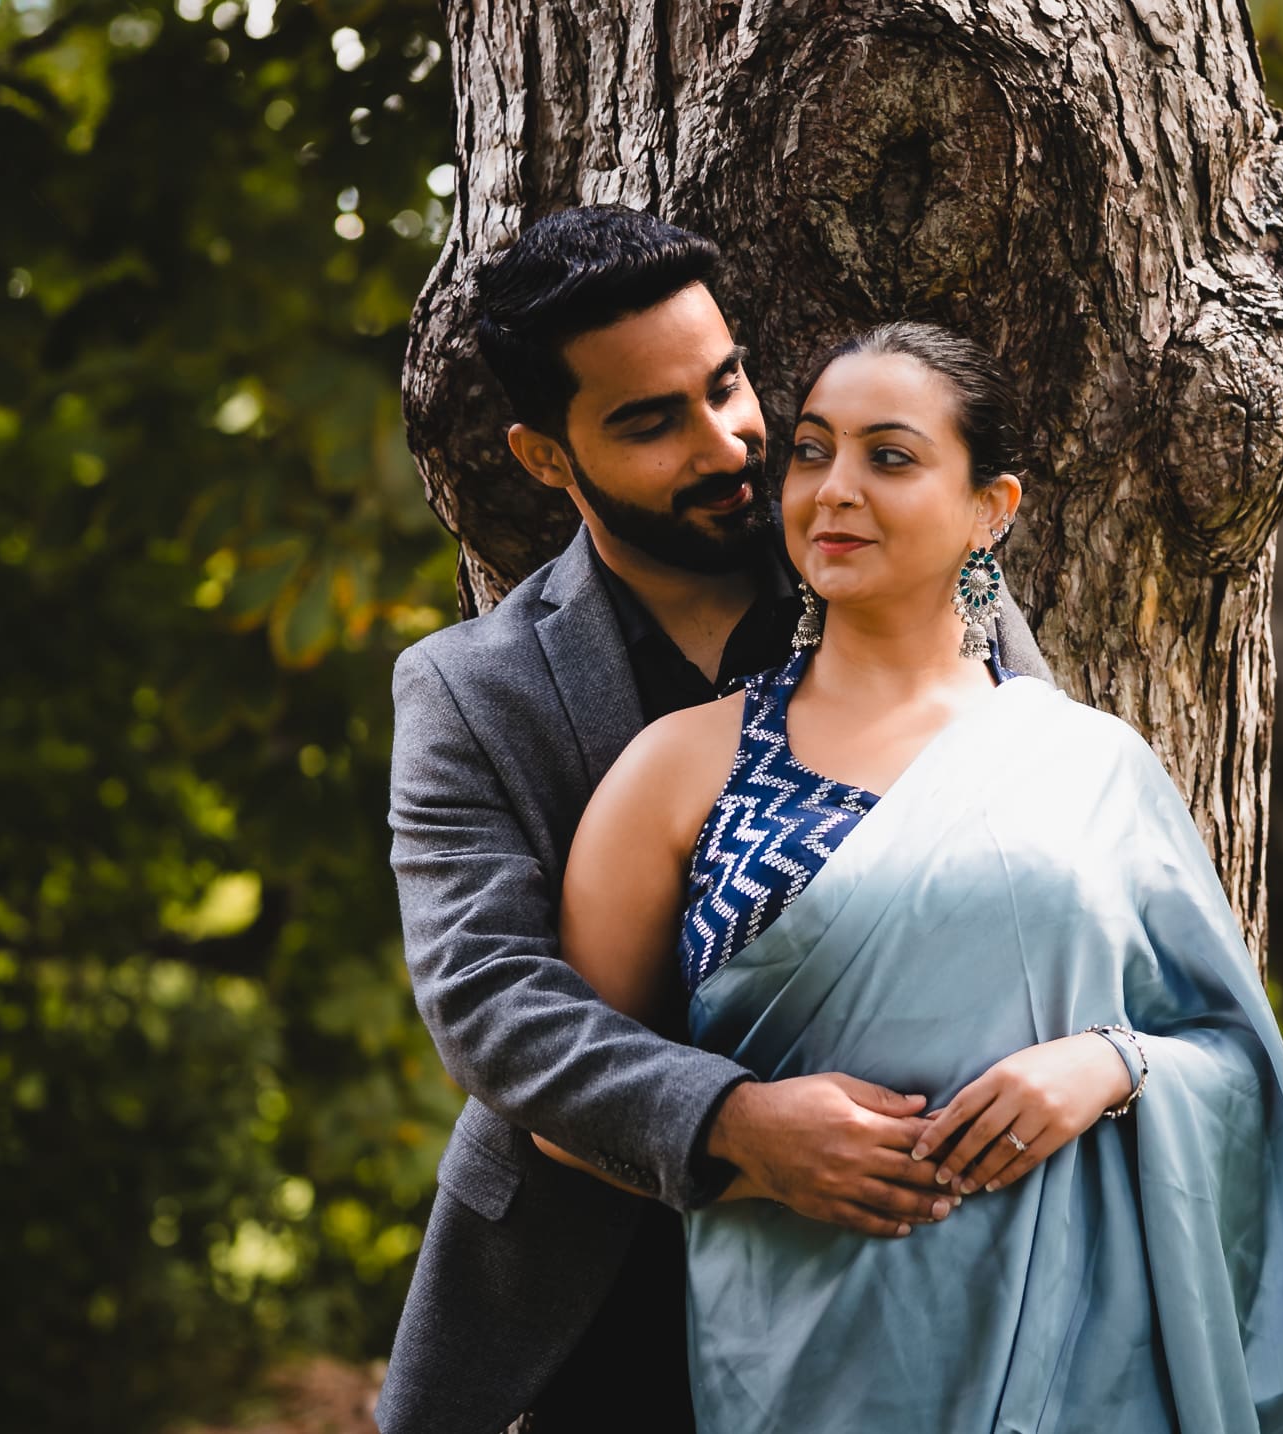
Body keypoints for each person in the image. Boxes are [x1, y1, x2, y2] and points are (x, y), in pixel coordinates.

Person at [541, 322, 1283, 1431]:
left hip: (1093, 1357)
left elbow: (1239, 1066)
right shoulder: (682, 768)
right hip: (807, 1350)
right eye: (812, 451)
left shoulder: (1090, 765)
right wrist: (756, 1150)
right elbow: (569, 1106)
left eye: (890, 456)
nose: (833, 491)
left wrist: (1111, 1067)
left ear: (992, 508)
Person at [375, 208, 1050, 1434]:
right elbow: (489, 1002)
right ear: (544, 457)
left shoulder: (913, 576)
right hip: (602, 1280)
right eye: (650, 420)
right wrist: (734, 1124)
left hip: (925, 1260)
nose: (730, 439)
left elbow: (1058, 857)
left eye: (727, 381)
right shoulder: (469, 692)